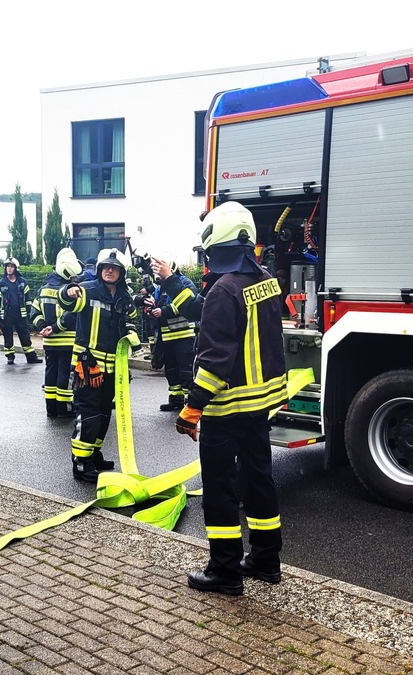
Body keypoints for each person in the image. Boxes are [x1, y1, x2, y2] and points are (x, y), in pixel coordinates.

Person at [175, 201, 288, 596]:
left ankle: (224, 571)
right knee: (259, 480)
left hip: (225, 411)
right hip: (260, 406)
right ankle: (266, 560)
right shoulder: (267, 281)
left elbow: (214, 362)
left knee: (220, 489)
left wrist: (191, 409)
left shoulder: (224, 291)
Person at [57, 248, 142, 482]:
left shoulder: (125, 297)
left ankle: (93, 454)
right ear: (100, 269)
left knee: (104, 414)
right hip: (88, 368)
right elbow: (65, 301)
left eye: (114, 268)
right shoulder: (87, 290)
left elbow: (130, 323)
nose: (109, 270)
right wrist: (68, 290)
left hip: (114, 369)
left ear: (121, 272)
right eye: (106, 267)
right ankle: (81, 463)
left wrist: (133, 341)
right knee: (89, 415)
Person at [31, 248, 82, 418]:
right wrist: (55, 327)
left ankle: (51, 409)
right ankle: (64, 409)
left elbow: (34, 312)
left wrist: (42, 328)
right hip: (67, 341)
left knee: (50, 374)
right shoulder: (71, 289)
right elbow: (72, 315)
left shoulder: (44, 289)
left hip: (49, 342)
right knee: (65, 375)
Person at [144, 259, 198, 411]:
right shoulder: (161, 287)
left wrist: (164, 311)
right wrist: (151, 309)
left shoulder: (184, 283)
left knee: (186, 369)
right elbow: (158, 304)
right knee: (171, 371)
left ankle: (190, 401)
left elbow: (188, 304)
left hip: (184, 335)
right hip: (167, 336)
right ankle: (176, 399)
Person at [0, 257, 41, 365]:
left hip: (20, 313)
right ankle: (10, 356)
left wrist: (30, 312)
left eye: (11, 266)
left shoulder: (22, 282)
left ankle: (31, 357)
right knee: (8, 335)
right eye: (7, 267)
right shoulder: (1, 284)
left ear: (16, 268)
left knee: (24, 335)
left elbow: (27, 299)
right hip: (7, 314)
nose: (9, 269)